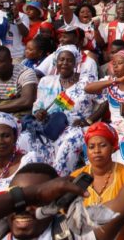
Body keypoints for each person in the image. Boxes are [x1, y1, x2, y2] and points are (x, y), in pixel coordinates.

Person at [22, 45, 94, 175]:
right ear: (56, 61)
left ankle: (58, 178)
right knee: (25, 138)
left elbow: (104, 100)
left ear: (76, 63)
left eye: (69, 60)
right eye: (61, 59)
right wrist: (39, 113)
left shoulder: (86, 80)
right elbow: (38, 106)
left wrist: (90, 120)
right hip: (49, 125)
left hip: (76, 126)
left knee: (71, 138)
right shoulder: (46, 81)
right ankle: (35, 177)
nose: (64, 63)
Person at [72, 122, 124, 240]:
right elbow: (63, 215)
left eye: (102, 145)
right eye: (91, 147)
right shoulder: (75, 178)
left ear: (113, 147)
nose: (97, 151)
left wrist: (123, 226)